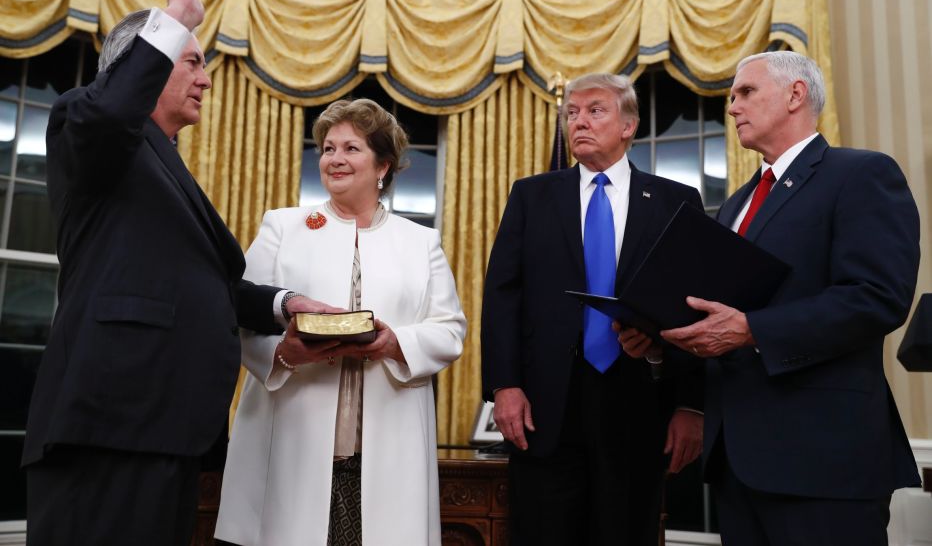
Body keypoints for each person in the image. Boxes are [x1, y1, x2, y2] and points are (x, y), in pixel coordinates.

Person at [23, 0, 323, 546]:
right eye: (192, 62)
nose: (207, 78)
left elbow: (202, 279)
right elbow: (110, 109)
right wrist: (175, 17)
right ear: (144, 65)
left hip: (166, 425)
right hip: (112, 420)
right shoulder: (88, 126)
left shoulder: (161, 162)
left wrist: (284, 305)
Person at [648, 51, 921, 545]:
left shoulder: (860, 174)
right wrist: (659, 337)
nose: (732, 106)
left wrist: (753, 330)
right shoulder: (737, 202)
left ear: (796, 94)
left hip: (824, 461)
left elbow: (878, 297)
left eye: (746, 92)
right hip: (736, 462)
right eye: (732, 96)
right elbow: (720, 313)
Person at [214, 98, 467, 546]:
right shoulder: (282, 226)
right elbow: (239, 315)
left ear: (383, 165)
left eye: (351, 148)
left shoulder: (420, 242)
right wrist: (282, 353)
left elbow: (449, 329)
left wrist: (394, 343)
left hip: (384, 440)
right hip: (293, 429)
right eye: (328, 148)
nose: (334, 159)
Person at [481, 73, 705, 546]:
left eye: (595, 110)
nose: (579, 121)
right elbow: (503, 295)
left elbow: (692, 306)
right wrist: (504, 385)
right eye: (572, 113)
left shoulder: (675, 202)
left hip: (640, 401)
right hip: (543, 408)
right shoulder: (531, 196)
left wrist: (689, 403)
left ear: (629, 125)